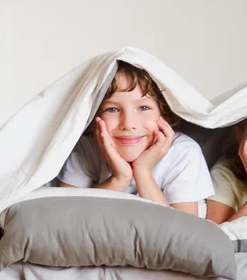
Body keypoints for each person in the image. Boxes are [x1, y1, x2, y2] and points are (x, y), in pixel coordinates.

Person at [58, 60, 213, 215]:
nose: (128, 124)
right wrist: (119, 179)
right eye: (112, 109)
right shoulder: (87, 148)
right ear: (93, 119)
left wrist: (142, 171)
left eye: (143, 108)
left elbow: (183, 232)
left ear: (164, 113)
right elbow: (64, 218)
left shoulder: (183, 152)